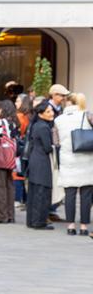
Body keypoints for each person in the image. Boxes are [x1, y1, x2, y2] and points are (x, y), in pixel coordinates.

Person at [54, 93, 93, 236]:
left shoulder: (58, 119)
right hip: (87, 159)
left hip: (68, 159)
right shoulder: (88, 115)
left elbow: (56, 141)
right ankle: (83, 226)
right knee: (86, 195)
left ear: (68, 103)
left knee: (69, 195)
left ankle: (70, 226)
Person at [26, 101, 57, 229]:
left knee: (34, 192)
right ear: (41, 114)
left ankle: (32, 220)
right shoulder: (44, 127)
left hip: (34, 160)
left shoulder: (36, 125)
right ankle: (39, 222)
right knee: (42, 193)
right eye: (48, 111)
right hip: (42, 162)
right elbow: (47, 148)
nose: (52, 113)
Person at [14, 94, 33, 207]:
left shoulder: (19, 117)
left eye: (17, 100)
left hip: (19, 147)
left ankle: (18, 199)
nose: (15, 103)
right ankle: (25, 199)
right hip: (28, 148)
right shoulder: (30, 116)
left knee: (17, 173)